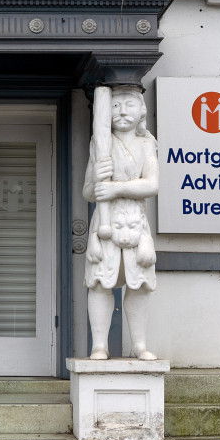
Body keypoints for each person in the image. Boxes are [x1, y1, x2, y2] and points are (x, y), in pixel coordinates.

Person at [84, 85, 159, 360]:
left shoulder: (146, 144)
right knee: (100, 282)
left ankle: (139, 344)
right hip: (105, 223)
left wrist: (115, 188)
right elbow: (88, 192)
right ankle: (99, 345)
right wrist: (97, 179)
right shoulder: (100, 143)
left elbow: (151, 184)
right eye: (115, 106)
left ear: (142, 110)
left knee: (139, 284)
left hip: (135, 220)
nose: (122, 111)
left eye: (129, 105)